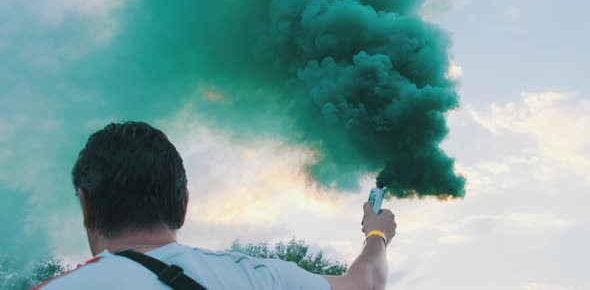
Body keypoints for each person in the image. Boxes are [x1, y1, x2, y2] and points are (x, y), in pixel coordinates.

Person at [33, 122, 396, 290]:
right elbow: (364, 284)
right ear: (183, 205)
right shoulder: (258, 278)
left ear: (86, 207)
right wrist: (375, 232)